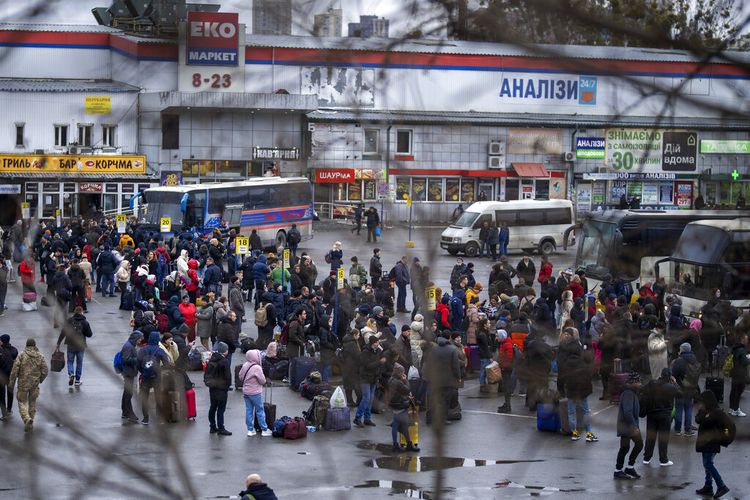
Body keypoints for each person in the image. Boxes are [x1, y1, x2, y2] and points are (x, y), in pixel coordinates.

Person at [558, 327, 598, 442]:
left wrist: (561, 387)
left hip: (571, 387)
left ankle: (574, 433)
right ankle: (589, 433)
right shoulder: (582, 360)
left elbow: (562, 373)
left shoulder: (566, 361)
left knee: (571, 410)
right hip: (582, 387)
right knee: (585, 410)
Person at [694, 390, 733, 498]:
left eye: (702, 401)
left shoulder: (716, 412)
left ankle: (721, 485)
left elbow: (707, 422)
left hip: (712, 443)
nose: (700, 403)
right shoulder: (704, 410)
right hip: (705, 443)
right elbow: (698, 420)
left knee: (708, 464)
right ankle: (708, 486)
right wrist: (702, 412)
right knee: (707, 464)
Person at [641, 368, 680, 467]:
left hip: (651, 414)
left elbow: (643, 390)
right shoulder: (670, 387)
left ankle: (646, 458)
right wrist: (675, 383)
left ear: (661, 375)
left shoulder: (652, 384)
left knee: (650, 437)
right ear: (669, 376)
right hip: (665, 415)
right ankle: (663, 460)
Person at [8, 338, 48, 432]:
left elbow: (14, 371)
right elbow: (45, 370)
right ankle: (31, 421)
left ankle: (26, 419)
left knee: (21, 402)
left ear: (27, 345)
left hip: (23, 384)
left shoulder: (21, 355)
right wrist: (40, 379)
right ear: (34, 345)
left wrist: (11, 383)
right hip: (34, 384)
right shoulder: (40, 356)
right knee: (32, 403)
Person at [137, 331, 172, 425]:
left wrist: (143, 370)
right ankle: (159, 418)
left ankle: (145, 418)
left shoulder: (143, 349)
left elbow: (138, 363)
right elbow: (166, 364)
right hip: (157, 377)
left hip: (145, 377)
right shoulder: (160, 350)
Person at [614, 372, 644, 480]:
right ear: (633, 382)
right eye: (639, 381)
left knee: (632, 446)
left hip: (629, 425)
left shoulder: (633, 392)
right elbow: (627, 411)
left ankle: (628, 467)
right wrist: (633, 426)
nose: (641, 383)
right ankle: (618, 470)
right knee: (628, 447)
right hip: (627, 425)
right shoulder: (628, 393)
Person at [56, 306, 93, 387]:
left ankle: (71, 374)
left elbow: (63, 332)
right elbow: (90, 334)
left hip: (70, 344)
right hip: (80, 346)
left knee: (70, 361)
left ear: (75, 312)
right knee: (79, 363)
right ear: (81, 312)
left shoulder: (69, 321)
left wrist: (58, 343)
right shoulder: (85, 322)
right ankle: (77, 380)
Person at [239, 349, 273, 437]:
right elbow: (262, 381)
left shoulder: (245, 365)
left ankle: (250, 430)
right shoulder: (257, 367)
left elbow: (240, 376)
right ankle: (264, 429)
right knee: (260, 411)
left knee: (249, 410)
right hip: (255, 393)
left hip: (246, 392)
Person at [354, 336, 385, 428]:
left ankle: (367, 418)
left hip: (374, 378)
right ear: (372, 343)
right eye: (376, 342)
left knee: (370, 399)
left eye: (378, 342)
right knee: (366, 398)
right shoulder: (365, 352)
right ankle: (358, 418)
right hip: (365, 378)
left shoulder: (378, 351)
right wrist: (379, 362)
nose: (378, 344)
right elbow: (367, 365)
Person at [671, 342, 701, 436]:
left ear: (682, 350)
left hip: (680, 388)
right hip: (691, 389)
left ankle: (678, 430)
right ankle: (688, 430)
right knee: (688, 409)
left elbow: (674, 374)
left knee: (679, 409)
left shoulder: (680, 360)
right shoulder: (695, 359)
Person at [388, 363, 419, 452]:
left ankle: (395, 444)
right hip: (400, 405)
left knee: (395, 425)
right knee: (404, 425)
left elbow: (398, 393)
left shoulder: (391, 380)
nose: (403, 374)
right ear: (400, 373)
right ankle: (409, 444)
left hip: (393, 405)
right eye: (402, 372)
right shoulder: (398, 382)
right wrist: (405, 380)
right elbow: (407, 390)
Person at [204, 341, 232, 436]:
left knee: (213, 407)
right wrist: (227, 386)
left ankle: (212, 426)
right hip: (222, 389)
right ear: (224, 351)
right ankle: (221, 428)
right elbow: (228, 377)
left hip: (213, 388)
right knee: (221, 409)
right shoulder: (224, 362)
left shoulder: (212, 359)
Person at [119, 331, 143, 424]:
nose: (140, 340)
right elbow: (125, 359)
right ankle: (129, 414)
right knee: (129, 394)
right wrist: (137, 359)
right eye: (139, 338)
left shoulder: (129, 345)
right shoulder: (128, 346)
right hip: (128, 373)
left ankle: (125, 412)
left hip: (129, 372)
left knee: (127, 393)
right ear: (136, 338)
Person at [728, 333, 750, 417]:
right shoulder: (741, 349)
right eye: (746, 339)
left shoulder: (735, 348)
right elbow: (744, 362)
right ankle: (736, 409)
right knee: (738, 391)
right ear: (742, 339)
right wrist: (748, 359)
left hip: (734, 372)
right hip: (740, 373)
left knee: (733, 391)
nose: (747, 341)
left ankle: (731, 408)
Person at [341, 328, 362, 407]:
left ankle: (350, 401)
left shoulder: (347, 341)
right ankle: (355, 401)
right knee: (356, 386)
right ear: (354, 335)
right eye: (358, 335)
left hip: (347, 367)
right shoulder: (352, 344)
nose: (359, 336)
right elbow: (357, 355)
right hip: (352, 367)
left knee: (348, 386)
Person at [0, 334, 18, 420]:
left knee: (2, 395)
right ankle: (9, 410)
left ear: (2, 341)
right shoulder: (14, 350)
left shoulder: (1, 350)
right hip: (11, 375)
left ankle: (4, 414)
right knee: (10, 393)